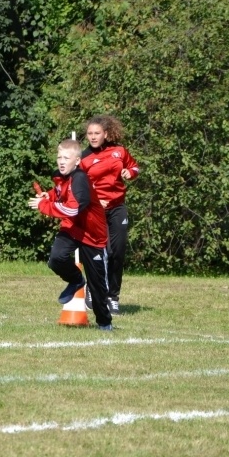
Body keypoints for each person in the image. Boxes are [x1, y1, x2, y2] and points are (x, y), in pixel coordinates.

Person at [29, 138, 113, 330]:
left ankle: (104, 323)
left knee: (97, 284)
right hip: (73, 228)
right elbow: (61, 192)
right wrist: (49, 196)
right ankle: (76, 280)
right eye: (59, 156)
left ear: (77, 161)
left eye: (66, 157)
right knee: (56, 259)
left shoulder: (80, 179)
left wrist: (44, 205)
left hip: (92, 233)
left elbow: (73, 209)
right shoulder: (60, 175)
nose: (61, 161)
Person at [80, 115, 139, 315]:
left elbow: (134, 166)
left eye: (97, 133)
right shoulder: (84, 158)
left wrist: (130, 173)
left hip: (117, 207)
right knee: (99, 253)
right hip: (95, 210)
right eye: (90, 133)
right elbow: (78, 186)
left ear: (106, 134)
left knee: (117, 252)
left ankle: (113, 296)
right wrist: (94, 200)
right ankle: (92, 288)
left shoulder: (119, 151)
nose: (93, 137)